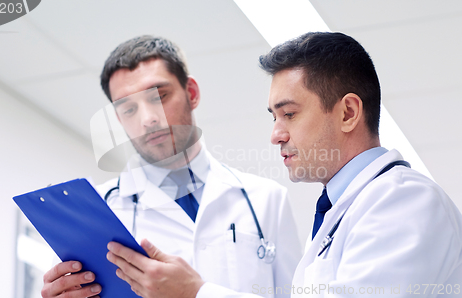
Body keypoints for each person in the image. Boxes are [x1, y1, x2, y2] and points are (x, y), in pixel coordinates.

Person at [105, 32, 462, 298]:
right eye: (274, 117)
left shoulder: (404, 201)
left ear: (348, 112)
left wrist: (197, 293)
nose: (276, 135)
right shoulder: (340, 213)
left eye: (289, 114)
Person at [40, 35, 301, 298]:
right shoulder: (96, 214)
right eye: (129, 109)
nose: (148, 119)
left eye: (159, 97)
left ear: (192, 93)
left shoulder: (266, 201)